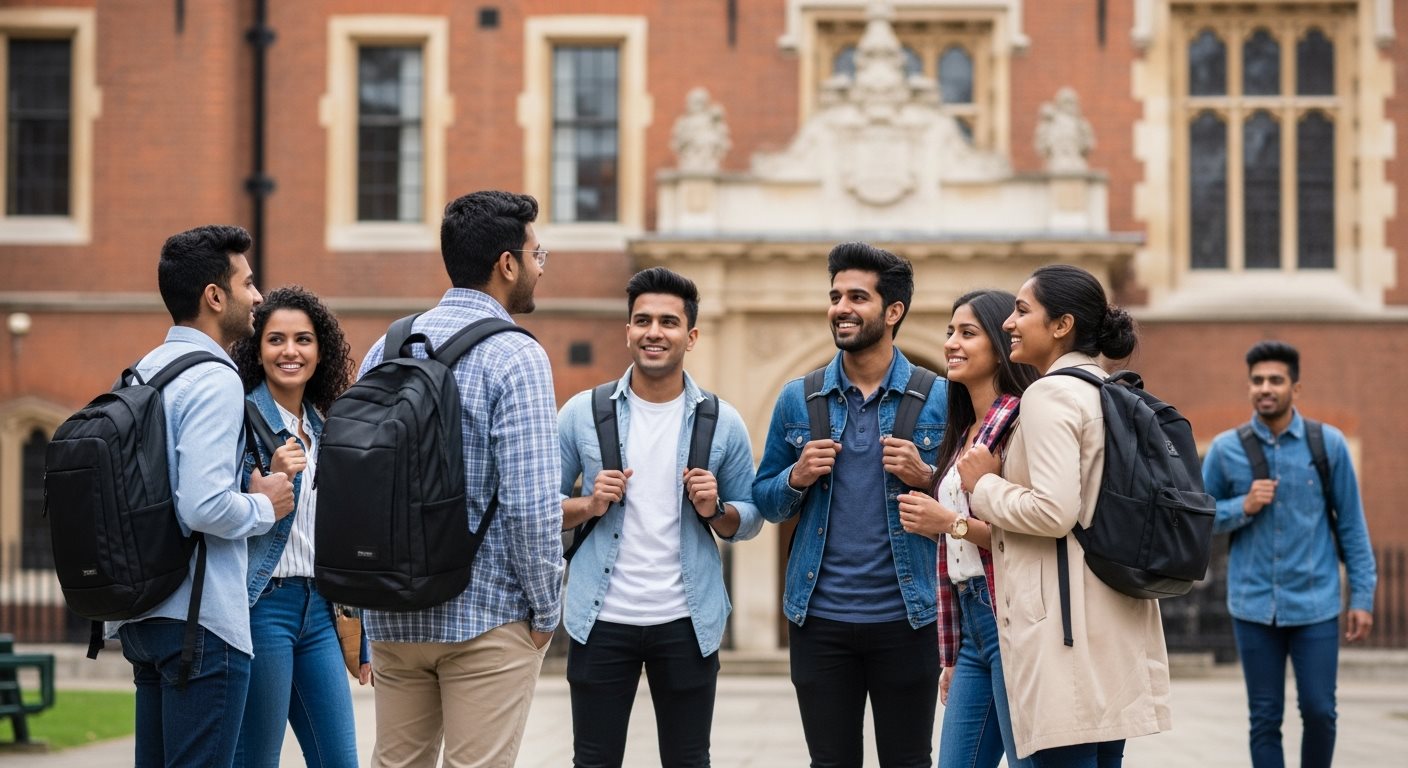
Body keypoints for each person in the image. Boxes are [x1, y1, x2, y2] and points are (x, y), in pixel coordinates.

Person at [356, 190, 563, 767]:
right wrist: (546, 614)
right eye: (537, 254)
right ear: (506, 264)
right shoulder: (516, 356)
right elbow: (531, 506)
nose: (539, 268)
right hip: (486, 615)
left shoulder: (389, 345)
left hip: (395, 610)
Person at [957, 264, 1171, 766]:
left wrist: (982, 485)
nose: (1009, 322)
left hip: (1063, 627)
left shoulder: (1049, 393)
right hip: (1109, 617)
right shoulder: (1107, 387)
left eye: (1022, 310)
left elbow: (1054, 511)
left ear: (1061, 325)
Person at [558, 266, 763, 767]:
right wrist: (588, 504)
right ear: (627, 330)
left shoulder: (723, 420)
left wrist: (717, 510)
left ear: (691, 336)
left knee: (689, 759)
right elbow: (537, 508)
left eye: (669, 322)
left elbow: (753, 516)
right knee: (593, 760)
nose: (654, 332)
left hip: (686, 619)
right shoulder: (582, 413)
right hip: (600, 617)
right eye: (643, 320)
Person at [754, 242, 948, 768]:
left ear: (893, 311)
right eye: (835, 295)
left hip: (909, 619)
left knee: (908, 761)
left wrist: (926, 478)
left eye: (857, 296)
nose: (841, 307)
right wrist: (795, 477)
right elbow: (764, 499)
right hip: (819, 621)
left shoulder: (942, 398)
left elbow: (971, 506)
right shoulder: (800, 397)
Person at [110, 225, 295, 767]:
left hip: (145, 615)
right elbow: (203, 505)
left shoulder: (143, 372)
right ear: (215, 296)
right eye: (248, 283)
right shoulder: (214, 378)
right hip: (201, 623)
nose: (259, 296)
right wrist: (266, 505)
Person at [1202, 340, 1377, 768]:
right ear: (1249, 387)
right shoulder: (1226, 450)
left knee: (1320, 710)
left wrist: (1362, 597)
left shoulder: (1328, 445)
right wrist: (1240, 507)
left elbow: (1353, 525)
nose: (1266, 388)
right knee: (1264, 717)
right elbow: (1198, 518)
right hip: (1253, 603)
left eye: (1275, 380)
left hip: (1314, 603)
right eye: (1258, 380)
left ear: (1294, 388)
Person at [896, 290, 1039, 768]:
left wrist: (949, 523)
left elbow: (1031, 532)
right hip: (972, 624)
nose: (952, 343)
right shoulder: (966, 432)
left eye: (968, 333)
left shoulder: (1020, 420)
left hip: (1010, 617)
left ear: (1001, 344)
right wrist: (953, 652)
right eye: (950, 332)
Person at [229, 286, 366, 767]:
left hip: (319, 611)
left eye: (303, 340)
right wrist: (271, 476)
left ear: (320, 350)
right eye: (276, 340)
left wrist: (359, 626)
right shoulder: (239, 417)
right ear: (257, 349)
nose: (290, 351)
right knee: (257, 759)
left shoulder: (325, 429)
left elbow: (338, 535)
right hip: (262, 606)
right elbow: (212, 511)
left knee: (339, 759)